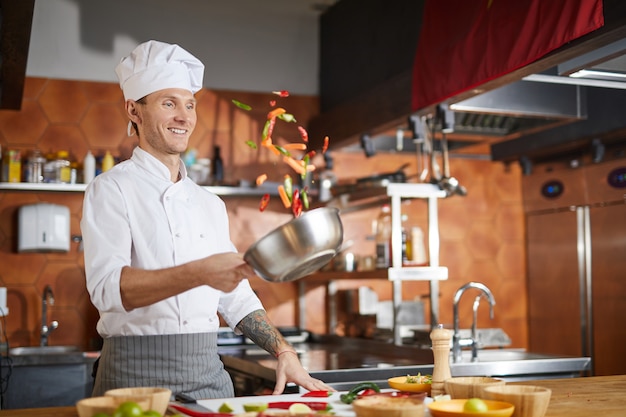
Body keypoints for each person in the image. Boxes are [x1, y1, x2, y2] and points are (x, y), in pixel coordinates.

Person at [81, 40, 333, 399]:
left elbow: (235, 297)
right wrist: (200, 272)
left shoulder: (208, 203)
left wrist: (283, 351)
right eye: (169, 103)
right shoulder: (110, 189)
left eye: (189, 105)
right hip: (132, 377)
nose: (184, 116)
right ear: (134, 111)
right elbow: (108, 290)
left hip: (208, 375)